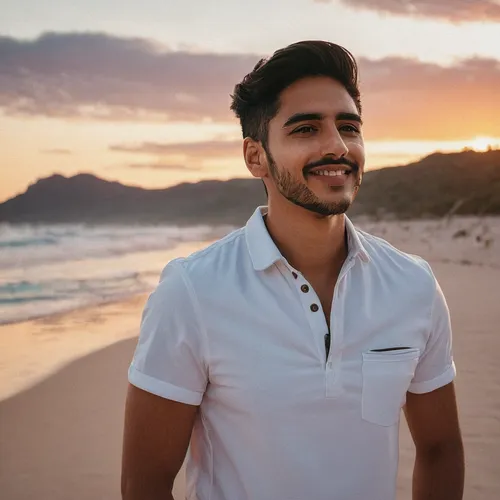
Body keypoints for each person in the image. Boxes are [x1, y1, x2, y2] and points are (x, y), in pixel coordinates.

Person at [121, 40, 464, 500]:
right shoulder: (193, 291)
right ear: (255, 156)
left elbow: (440, 447)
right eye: (305, 129)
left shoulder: (412, 285)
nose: (338, 146)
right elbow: (145, 482)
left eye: (349, 126)